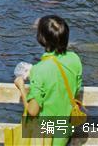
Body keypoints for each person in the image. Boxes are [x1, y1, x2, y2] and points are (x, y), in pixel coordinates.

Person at [14, 15, 83, 146]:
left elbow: (33, 111)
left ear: (41, 38)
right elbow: (76, 92)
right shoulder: (75, 59)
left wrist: (21, 87)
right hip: (65, 132)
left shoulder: (39, 70)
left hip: (45, 137)